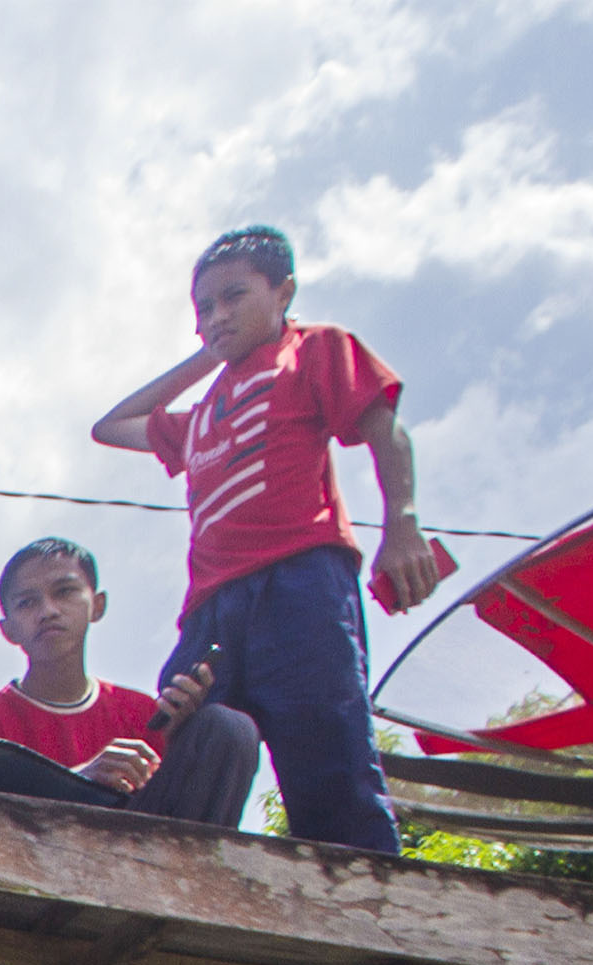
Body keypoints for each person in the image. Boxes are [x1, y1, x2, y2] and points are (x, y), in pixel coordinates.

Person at [91, 226, 441, 857]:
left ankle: (366, 907)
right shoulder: (201, 414)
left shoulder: (313, 350)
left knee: (328, 754)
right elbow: (112, 425)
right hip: (210, 613)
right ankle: (178, 882)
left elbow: (385, 430)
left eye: (233, 297)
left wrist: (404, 525)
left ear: (283, 292)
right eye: (204, 309)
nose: (217, 316)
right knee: (178, 747)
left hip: (299, 585)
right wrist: (210, 352)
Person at [0, 538, 262, 828]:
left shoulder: (144, 714)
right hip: (33, 867)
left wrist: (182, 739)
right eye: (27, 603)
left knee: (228, 727)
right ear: (8, 631)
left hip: (148, 860)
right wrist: (78, 783)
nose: (48, 611)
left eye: (64, 592)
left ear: (97, 605)